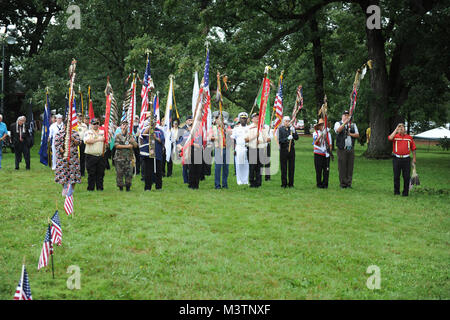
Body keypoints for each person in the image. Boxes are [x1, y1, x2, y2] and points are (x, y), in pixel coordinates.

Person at [388, 123, 416, 196]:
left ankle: (405, 192)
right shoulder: (395, 136)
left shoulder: (409, 138)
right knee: (396, 176)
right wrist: (396, 129)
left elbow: (413, 148)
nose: (401, 128)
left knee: (406, 176)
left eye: (402, 127)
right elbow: (390, 138)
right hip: (396, 159)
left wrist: (414, 158)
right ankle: (396, 192)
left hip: (406, 159)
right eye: (400, 127)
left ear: (405, 129)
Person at [334, 110, 360, 188]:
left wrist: (350, 134)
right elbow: (338, 130)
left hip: (350, 148)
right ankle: (342, 183)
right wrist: (345, 123)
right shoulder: (338, 123)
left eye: (347, 115)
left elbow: (357, 135)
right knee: (342, 166)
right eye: (344, 115)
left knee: (350, 166)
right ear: (342, 116)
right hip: (342, 148)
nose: (346, 116)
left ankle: (348, 183)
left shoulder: (352, 125)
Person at [245, 113, 271, 188]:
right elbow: (246, 139)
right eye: (255, 117)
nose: (257, 118)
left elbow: (268, 139)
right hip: (251, 149)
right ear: (252, 119)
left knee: (259, 167)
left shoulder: (263, 128)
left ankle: (258, 182)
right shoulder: (249, 128)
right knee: (252, 166)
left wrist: (261, 141)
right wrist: (254, 136)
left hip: (260, 149)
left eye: (258, 117)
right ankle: (252, 182)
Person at [54, 121, 81, 192]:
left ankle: (72, 189)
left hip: (73, 158)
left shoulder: (74, 133)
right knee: (62, 172)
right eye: (67, 126)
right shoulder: (59, 133)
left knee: (74, 172)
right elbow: (56, 144)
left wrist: (73, 138)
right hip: (62, 157)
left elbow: (79, 143)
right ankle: (65, 188)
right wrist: (62, 150)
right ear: (64, 126)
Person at [140, 113, 165, 191]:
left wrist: (156, 138)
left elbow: (162, 140)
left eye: (154, 121)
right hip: (148, 154)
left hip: (157, 153)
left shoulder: (160, 131)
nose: (153, 123)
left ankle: (158, 186)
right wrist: (149, 127)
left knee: (158, 171)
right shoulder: (146, 129)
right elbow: (143, 134)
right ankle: (148, 187)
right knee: (148, 171)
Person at [114, 120, 138, 191]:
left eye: (126, 125)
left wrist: (133, 142)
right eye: (123, 125)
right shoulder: (118, 135)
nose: (125, 126)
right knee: (119, 173)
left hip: (129, 157)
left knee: (129, 173)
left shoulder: (130, 136)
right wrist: (127, 146)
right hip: (119, 157)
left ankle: (128, 187)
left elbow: (136, 146)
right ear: (121, 126)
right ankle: (120, 187)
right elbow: (116, 146)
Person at [84, 118, 106, 191]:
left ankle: (100, 188)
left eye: (97, 123)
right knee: (91, 173)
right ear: (91, 125)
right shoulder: (88, 132)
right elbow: (87, 141)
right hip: (91, 155)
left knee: (101, 173)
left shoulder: (102, 132)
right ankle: (91, 188)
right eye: (94, 124)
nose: (96, 125)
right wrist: (99, 140)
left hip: (100, 155)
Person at [209, 115, 231, 189]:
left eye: (222, 119)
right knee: (218, 168)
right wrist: (216, 137)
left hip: (226, 148)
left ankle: (225, 184)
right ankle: (217, 185)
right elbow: (210, 137)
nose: (220, 121)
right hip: (218, 148)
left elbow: (231, 135)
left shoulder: (227, 127)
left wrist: (226, 131)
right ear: (216, 120)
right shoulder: (213, 128)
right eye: (218, 119)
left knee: (226, 168)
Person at [278, 116, 299, 188]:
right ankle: (284, 183)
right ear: (283, 122)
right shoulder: (280, 130)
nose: (287, 122)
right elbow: (280, 140)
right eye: (286, 121)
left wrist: (294, 132)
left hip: (291, 150)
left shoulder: (291, 129)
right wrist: (287, 139)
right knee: (283, 167)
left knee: (291, 167)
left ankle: (291, 183)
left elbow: (296, 138)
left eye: (288, 121)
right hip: (284, 150)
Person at [312, 118, 332, 188]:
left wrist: (329, 152)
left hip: (326, 154)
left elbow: (330, 144)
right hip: (318, 154)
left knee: (326, 170)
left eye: (323, 125)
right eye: (321, 125)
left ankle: (325, 184)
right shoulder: (315, 133)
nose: (322, 127)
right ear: (318, 126)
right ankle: (319, 183)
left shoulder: (328, 134)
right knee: (318, 170)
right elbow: (316, 142)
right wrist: (321, 135)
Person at [231, 112, 249, 185]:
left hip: (247, 147)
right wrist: (233, 149)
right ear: (239, 119)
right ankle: (239, 180)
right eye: (242, 118)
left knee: (246, 164)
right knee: (239, 164)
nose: (243, 120)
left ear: (247, 119)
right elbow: (233, 139)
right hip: (239, 147)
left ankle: (245, 180)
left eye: (245, 118)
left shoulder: (249, 128)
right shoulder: (236, 129)